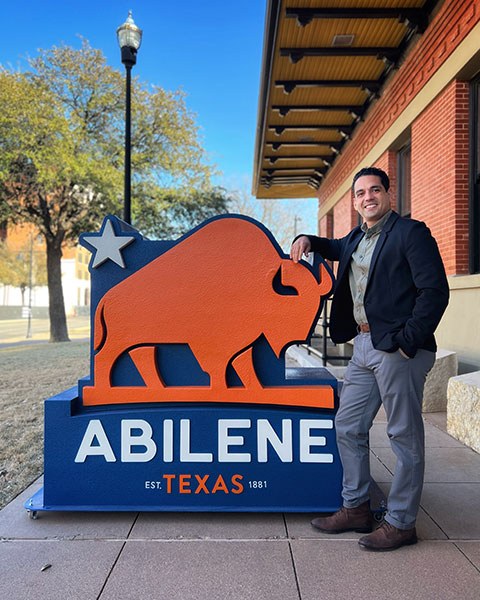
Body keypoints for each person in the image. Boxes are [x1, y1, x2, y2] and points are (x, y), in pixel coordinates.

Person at [290, 166, 449, 551]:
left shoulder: (411, 233)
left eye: (374, 190)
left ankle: (400, 523)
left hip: (396, 349)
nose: (367, 198)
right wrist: (306, 238)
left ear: (388, 194)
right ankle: (356, 507)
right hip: (361, 346)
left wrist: (406, 342)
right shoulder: (355, 237)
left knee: (403, 436)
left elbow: (435, 291)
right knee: (347, 426)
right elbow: (331, 246)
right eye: (360, 193)